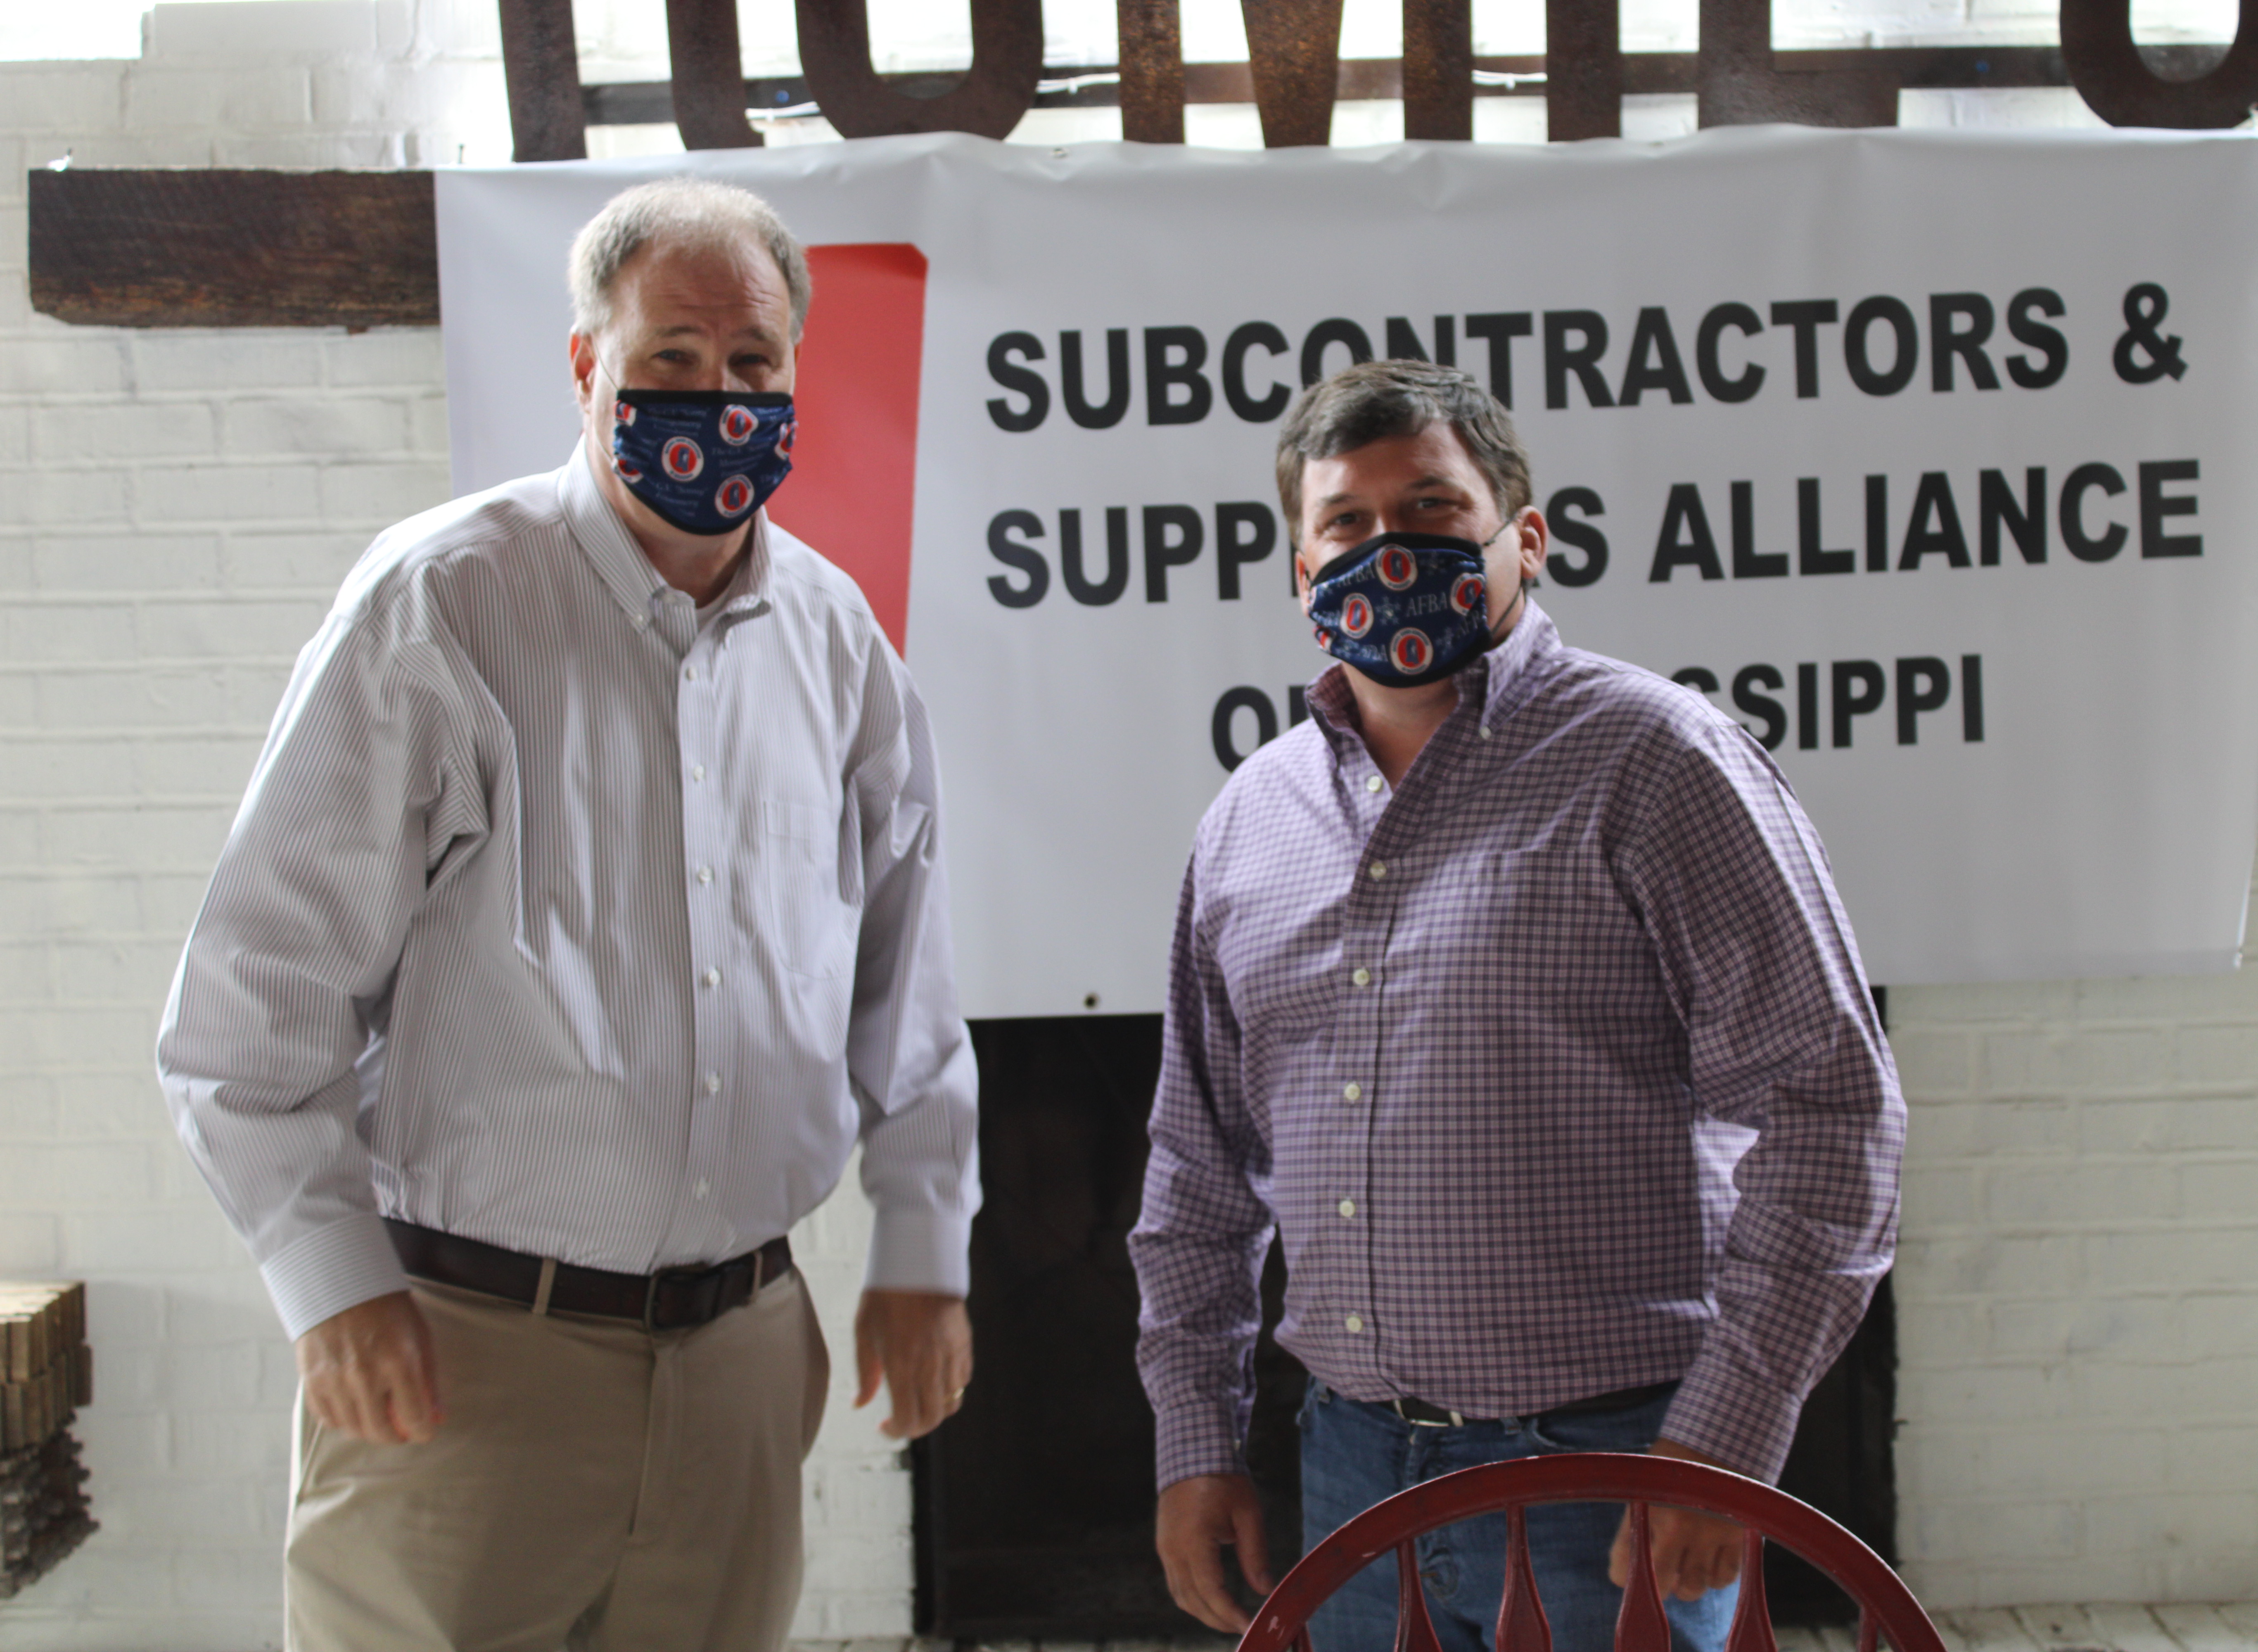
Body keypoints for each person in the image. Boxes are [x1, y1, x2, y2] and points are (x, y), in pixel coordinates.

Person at [157, 178, 979, 1652]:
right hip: (469, 1358)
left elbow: (902, 977)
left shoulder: (837, 640)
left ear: (797, 373)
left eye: (752, 362)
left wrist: (922, 1245)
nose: (715, 396)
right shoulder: (440, 606)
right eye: (672, 356)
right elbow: (256, 991)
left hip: (742, 1361)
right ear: (589, 361)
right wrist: (328, 1285)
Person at [1130, 359, 1905, 1652]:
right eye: (1347, 523)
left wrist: (1725, 1440)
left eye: (1433, 509)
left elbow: (1831, 1115)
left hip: (1615, 1473)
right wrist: (1195, 1440)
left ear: (1525, 539)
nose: (1389, 550)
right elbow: (1198, 1174)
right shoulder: (1250, 821)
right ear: (1302, 572)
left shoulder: (1658, 762)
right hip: (1350, 1477)